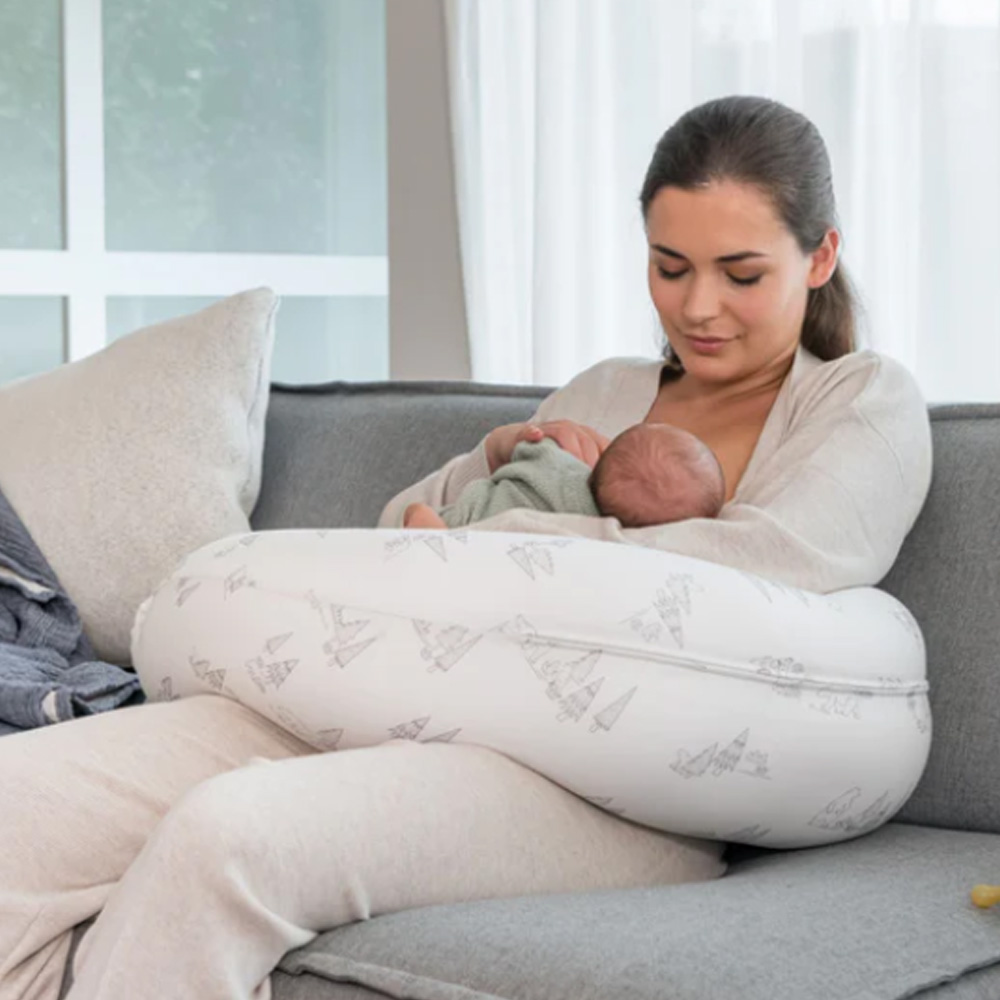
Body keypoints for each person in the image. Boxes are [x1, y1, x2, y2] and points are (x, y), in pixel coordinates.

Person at [0, 95, 932, 1000]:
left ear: (821, 258)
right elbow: (401, 541)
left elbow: (778, 564)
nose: (697, 308)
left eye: (740, 273)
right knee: (18, 807)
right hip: (407, 696)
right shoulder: (603, 391)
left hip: (610, 795)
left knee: (230, 838)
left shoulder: (859, 401)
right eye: (668, 265)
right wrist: (488, 458)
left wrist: (507, 540)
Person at [402, 421, 726, 531]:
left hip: (465, 518)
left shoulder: (555, 461)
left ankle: (430, 528)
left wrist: (536, 443)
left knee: (431, 520)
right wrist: (498, 445)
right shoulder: (592, 526)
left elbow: (532, 449)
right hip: (473, 549)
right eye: (671, 270)